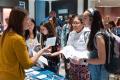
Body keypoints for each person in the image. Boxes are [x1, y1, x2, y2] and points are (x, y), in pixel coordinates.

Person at [0, 7, 50, 80]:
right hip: (14, 76)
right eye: (26, 19)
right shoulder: (17, 39)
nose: (29, 22)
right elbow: (27, 64)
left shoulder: (4, 34)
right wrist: (41, 51)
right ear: (19, 21)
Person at [86, 8, 109, 80]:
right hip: (95, 71)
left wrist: (85, 60)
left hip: (100, 73)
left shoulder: (98, 36)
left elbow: (102, 60)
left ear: (91, 19)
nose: (82, 20)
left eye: (85, 18)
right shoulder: (95, 33)